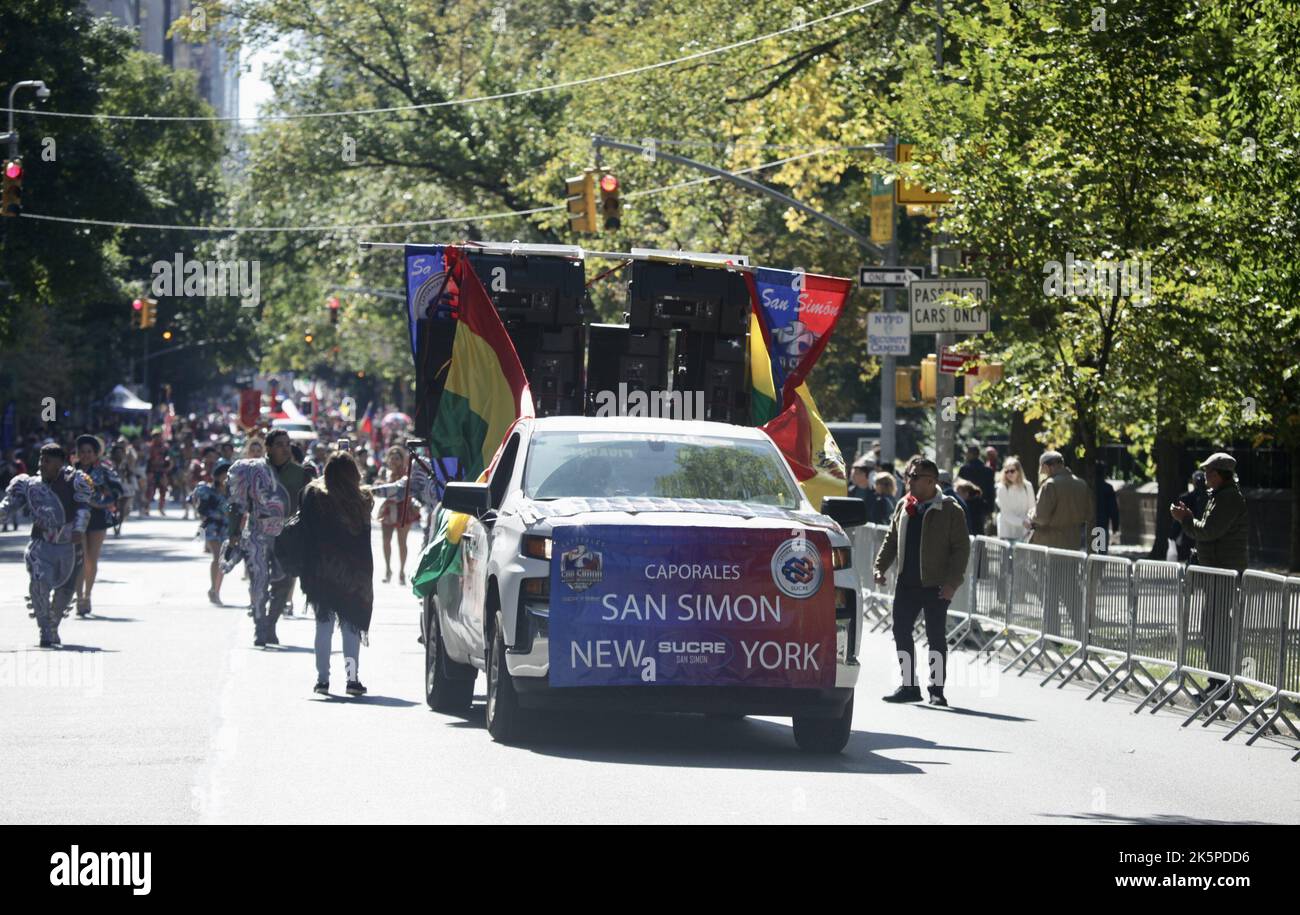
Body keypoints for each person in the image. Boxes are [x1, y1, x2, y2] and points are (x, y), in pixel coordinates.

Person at [872, 458, 971, 706]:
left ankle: (936, 690)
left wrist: (952, 583)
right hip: (907, 583)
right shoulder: (904, 505)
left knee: (935, 637)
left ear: (931, 481)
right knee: (901, 632)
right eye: (908, 476)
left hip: (936, 585)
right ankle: (908, 686)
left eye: (915, 477)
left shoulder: (950, 510)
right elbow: (891, 539)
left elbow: (961, 550)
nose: (909, 481)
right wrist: (879, 566)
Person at [1170, 453, 1248, 699]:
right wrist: (1190, 518)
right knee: (1210, 628)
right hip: (1216, 570)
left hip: (1224, 572)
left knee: (1218, 629)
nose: (1205, 477)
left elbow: (1210, 531)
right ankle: (1216, 681)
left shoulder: (1230, 498)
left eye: (1210, 472)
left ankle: (1223, 685)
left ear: (1222, 474)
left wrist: (1186, 519)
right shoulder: (1218, 497)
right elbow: (1207, 528)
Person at [0, 444, 93, 647]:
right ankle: (44, 629)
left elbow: (83, 508)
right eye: (41, 460)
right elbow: (9, 504)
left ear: (60, 463)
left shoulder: (75, 481)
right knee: (39, 586)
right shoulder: (28, 484)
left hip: (69, 546)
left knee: (65, 592)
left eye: (47, 461)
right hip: (40, 546)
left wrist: (79, 529)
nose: (42, 465)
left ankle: (54, 625)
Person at [298, 452, 374, 696]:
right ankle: (352, 679)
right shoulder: (363, 499)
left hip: (322, 571)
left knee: (323, 626)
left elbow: (305, 528)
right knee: (351, 627)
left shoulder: (314, 496)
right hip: (353, 575)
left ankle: (322, 680)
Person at [226, 451, 290, 648]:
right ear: (269, 447)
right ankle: (260, 627)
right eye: (279, 444)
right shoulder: (252, 470)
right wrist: (233, 533)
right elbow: (236, 505)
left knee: (285, 580)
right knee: (258, 580)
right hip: (256, 534)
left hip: (287, 535)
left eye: (286, 444)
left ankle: (271, 624)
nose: (284, 448)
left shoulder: (297, 472)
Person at [73, 435, 123, 617]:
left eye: (89, 452)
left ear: (96, 454)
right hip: (75, 519)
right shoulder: (71, 472)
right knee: (79, 559)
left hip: (98, 519)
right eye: (82, 452)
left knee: (91, 559)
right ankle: (79, 598)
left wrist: (100, 503)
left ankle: (88, 595)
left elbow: (118, 490)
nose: (85, 455)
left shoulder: (104, 471)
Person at [1027, 451, 1092, 550]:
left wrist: (1031, 514)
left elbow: (1041, 518)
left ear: (1046, 466)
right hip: (1074, 544)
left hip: (1049, 545)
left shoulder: (1050, 485)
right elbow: (1088, 514)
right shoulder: (1082, 484)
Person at [377, 445, 418, 585]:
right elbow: (378, 488)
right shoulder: (384, 473)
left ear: (402, 460)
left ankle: (402, 571)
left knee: (402, 543)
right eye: (391, 458)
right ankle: (388, 569)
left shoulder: (407, 474)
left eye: (397, 458)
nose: (393, 461)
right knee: (386, 541)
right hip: (388, 510)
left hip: (403, 509)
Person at [193, 460, 232, 605]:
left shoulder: (234, 493)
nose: (226, 478)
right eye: (223, 475)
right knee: (217, 556)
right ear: (217, 476)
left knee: (223, 560)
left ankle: (215, 589)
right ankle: (214, 590)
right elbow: (201, 510)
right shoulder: (208, 491)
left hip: (227, 529)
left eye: (229, 475)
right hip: (211, 527)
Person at [1170, 471, 1209, 561]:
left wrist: (1173, 535)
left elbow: (1178, 519)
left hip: (1189, 533)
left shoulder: (1185, 498)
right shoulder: (1210, 498)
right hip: (1202, 534)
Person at [995, 456, 1036, 544]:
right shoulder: (1002, 488)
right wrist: (1022, 522)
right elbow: (1006, 513)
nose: (1009, 474)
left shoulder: (1027, 486)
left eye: (1012, 471)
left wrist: (1028, 521)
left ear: (1019, 471)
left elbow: (1032, 508)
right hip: (1007, 533)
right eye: (1006, 471)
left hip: (1025, 533)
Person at [959, 442, 997, 524]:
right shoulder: (988, 471)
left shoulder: (964, 469)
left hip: (966, 505)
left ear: (970, 454)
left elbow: (959, 488)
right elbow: (991, 491)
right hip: (982, 506)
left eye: (967, 453)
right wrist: (990, 509)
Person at [109, 440, 137, 535]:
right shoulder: (109, 464)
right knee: (114, 509)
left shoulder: (125, 464)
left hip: (124, 488)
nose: (119, 455)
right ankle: (114, 525)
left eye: (121, 453)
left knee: (122, 509)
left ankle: (119, 526)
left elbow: (130, 473)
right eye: (117, 453)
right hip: (112, 488)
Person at [1094, 461, 1121, 553]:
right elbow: (1113, 509)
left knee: (1090, 552)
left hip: (1089, 523)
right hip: (1102, 523)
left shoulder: (1089, 487)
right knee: (1101, 552)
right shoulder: (1107, 488)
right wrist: (1115, 526)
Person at [144, 431, 171, 516]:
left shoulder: (165, 447)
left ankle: (161, 508)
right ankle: (147, 508)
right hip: (151, 471)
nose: (159, 438)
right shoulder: (149, 447)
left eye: (160, 437)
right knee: (150, 491)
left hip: (162, 471)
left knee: (163, 491)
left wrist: (168, 464)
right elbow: (146, 459)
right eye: (157, 437)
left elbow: (169, 457)